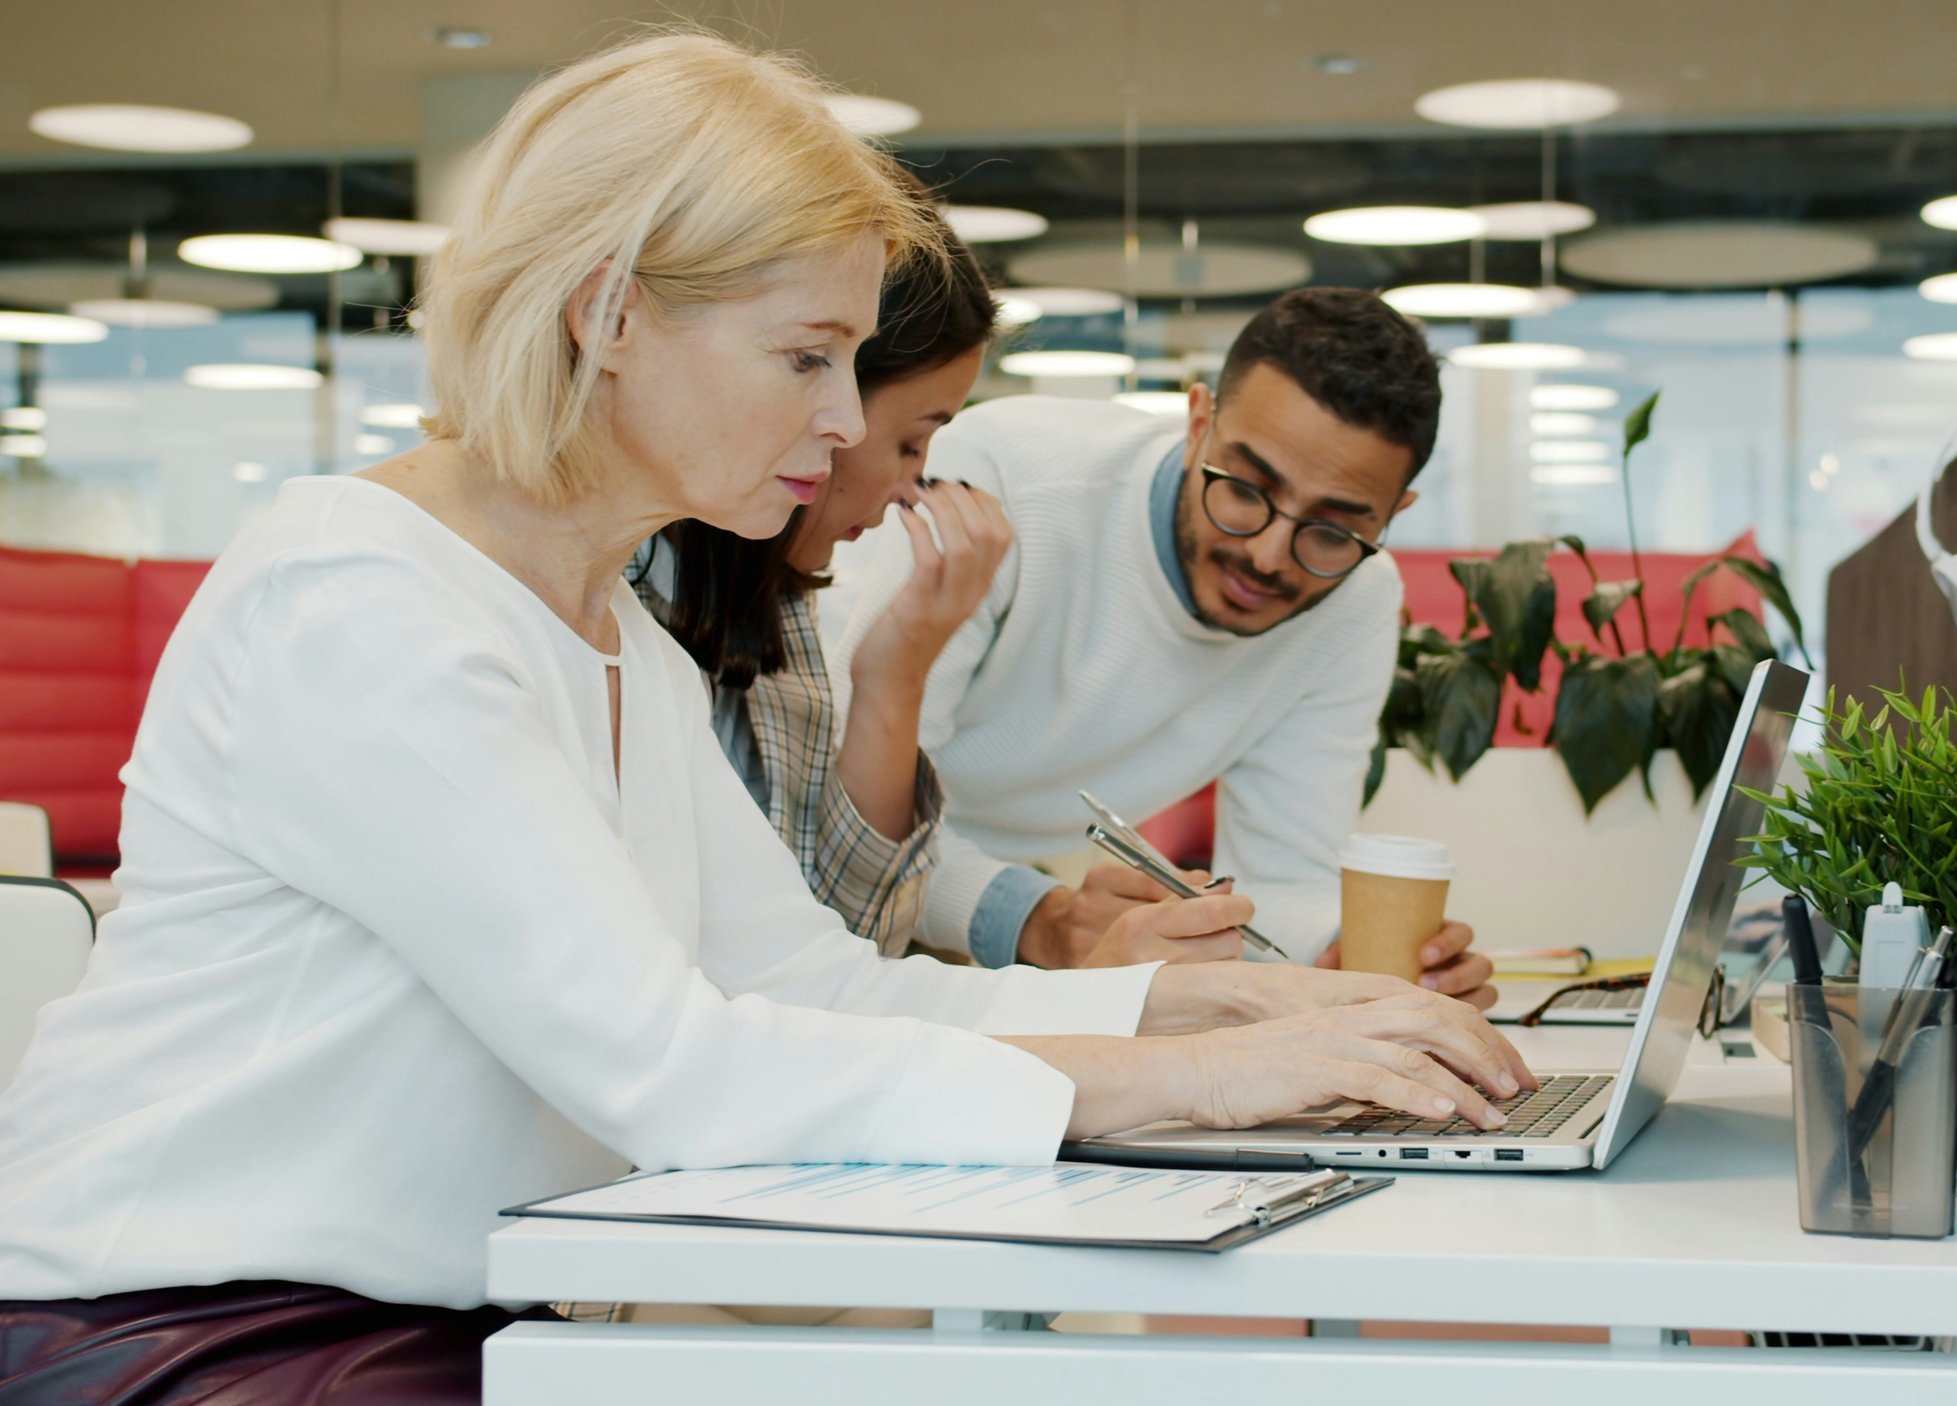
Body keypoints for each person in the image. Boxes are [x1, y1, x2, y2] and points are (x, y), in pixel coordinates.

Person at [0, 34, 1530, 1404]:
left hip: (454, 1321)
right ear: (609, 314)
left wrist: (1231, 1009)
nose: (848, 425)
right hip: (191, 1327)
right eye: (807, 358)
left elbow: (818, 988)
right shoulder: (367, 606)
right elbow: (677, 1072)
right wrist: (1201, 1081)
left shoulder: (607, 631)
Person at [821, 289, 1496, 1001]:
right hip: (828, 886)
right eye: (1245, 489)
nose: (1269, 555)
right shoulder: (1002, 481)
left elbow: (1285, 878)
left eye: (1332, 530)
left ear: (1394, 515)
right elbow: (832, 803)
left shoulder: (1357, 602)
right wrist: (1037, 921)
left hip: (971, 891)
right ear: (1197, 420)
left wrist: (1352, 957)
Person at [631, 169, 1004, 954]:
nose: (910, 485)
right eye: (911, 441)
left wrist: (895, 673)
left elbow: (846, 939)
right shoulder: (591, 589)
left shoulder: (765, 598)